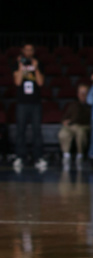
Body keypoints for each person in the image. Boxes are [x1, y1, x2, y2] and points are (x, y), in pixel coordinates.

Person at [12, 43, 48, 171]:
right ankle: (20, 156)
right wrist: (21, 67)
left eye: (30, 50)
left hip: (35, 103)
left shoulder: (39, 63)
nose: (28, 52)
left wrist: (36, 68)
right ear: (22, 51)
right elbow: (17, 82)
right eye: (26, 50)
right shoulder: (18, 63)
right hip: (22, 102)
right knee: (20, 130)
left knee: (37, 131)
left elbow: (40, 82)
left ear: (33, 51)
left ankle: (38, 157)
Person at [58, 84, 91, 167]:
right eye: (80, 92)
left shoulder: (90, 105)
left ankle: (80, 155)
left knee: (80, 132)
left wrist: (72, 120)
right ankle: (66, 155)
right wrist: (64, 121)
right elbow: (64, 117)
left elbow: (85, 119)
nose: (82, 95)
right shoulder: (73, 105)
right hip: (71, 126)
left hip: (83, 126)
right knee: (63, 133)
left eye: (84, 92)